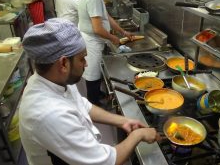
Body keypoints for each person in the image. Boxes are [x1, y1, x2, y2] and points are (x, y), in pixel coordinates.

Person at [20, 18, 158, 165]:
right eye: (82, 58)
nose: (85, 64)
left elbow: (82, 105)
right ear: (63, 63)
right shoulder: (49, 115)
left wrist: (123, 120)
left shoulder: (53, 78)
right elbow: (105, 161)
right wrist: (138, 135)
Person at [78, 0, 133, 105]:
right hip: (92, 41)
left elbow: (107, 17)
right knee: (93, 73)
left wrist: (123, 32)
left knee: (97, 71)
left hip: (94, 39)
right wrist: (113, 38)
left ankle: (97, 93)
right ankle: (93, 102)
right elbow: (97, 29)